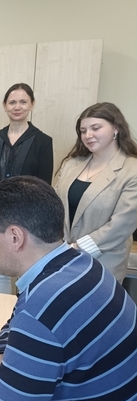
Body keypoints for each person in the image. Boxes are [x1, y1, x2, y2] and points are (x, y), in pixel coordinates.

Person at [0, 175, 137, 401]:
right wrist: (0, 352)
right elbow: (18, 318)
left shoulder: (44, 305)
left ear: (15, 237)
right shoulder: (80, 265)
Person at [0, 83, 53, 294]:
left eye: (23, 102)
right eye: (12, 102)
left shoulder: (43, 142)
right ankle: (2, 311)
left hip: (26, 219)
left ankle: (22, 310)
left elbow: (44, 186)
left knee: (27, 272)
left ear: (32, 104)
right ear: (4, 105)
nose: (17, 106)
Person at [54, 102, 137, 283]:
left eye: (95, 128)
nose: (88, 135)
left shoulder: (132, 170)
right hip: (62, 259)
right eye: (83, 131)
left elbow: (121, 225)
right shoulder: (71, 164)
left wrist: (76, 248)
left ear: (116, 128)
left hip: (103, 265)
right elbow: (52, 206)